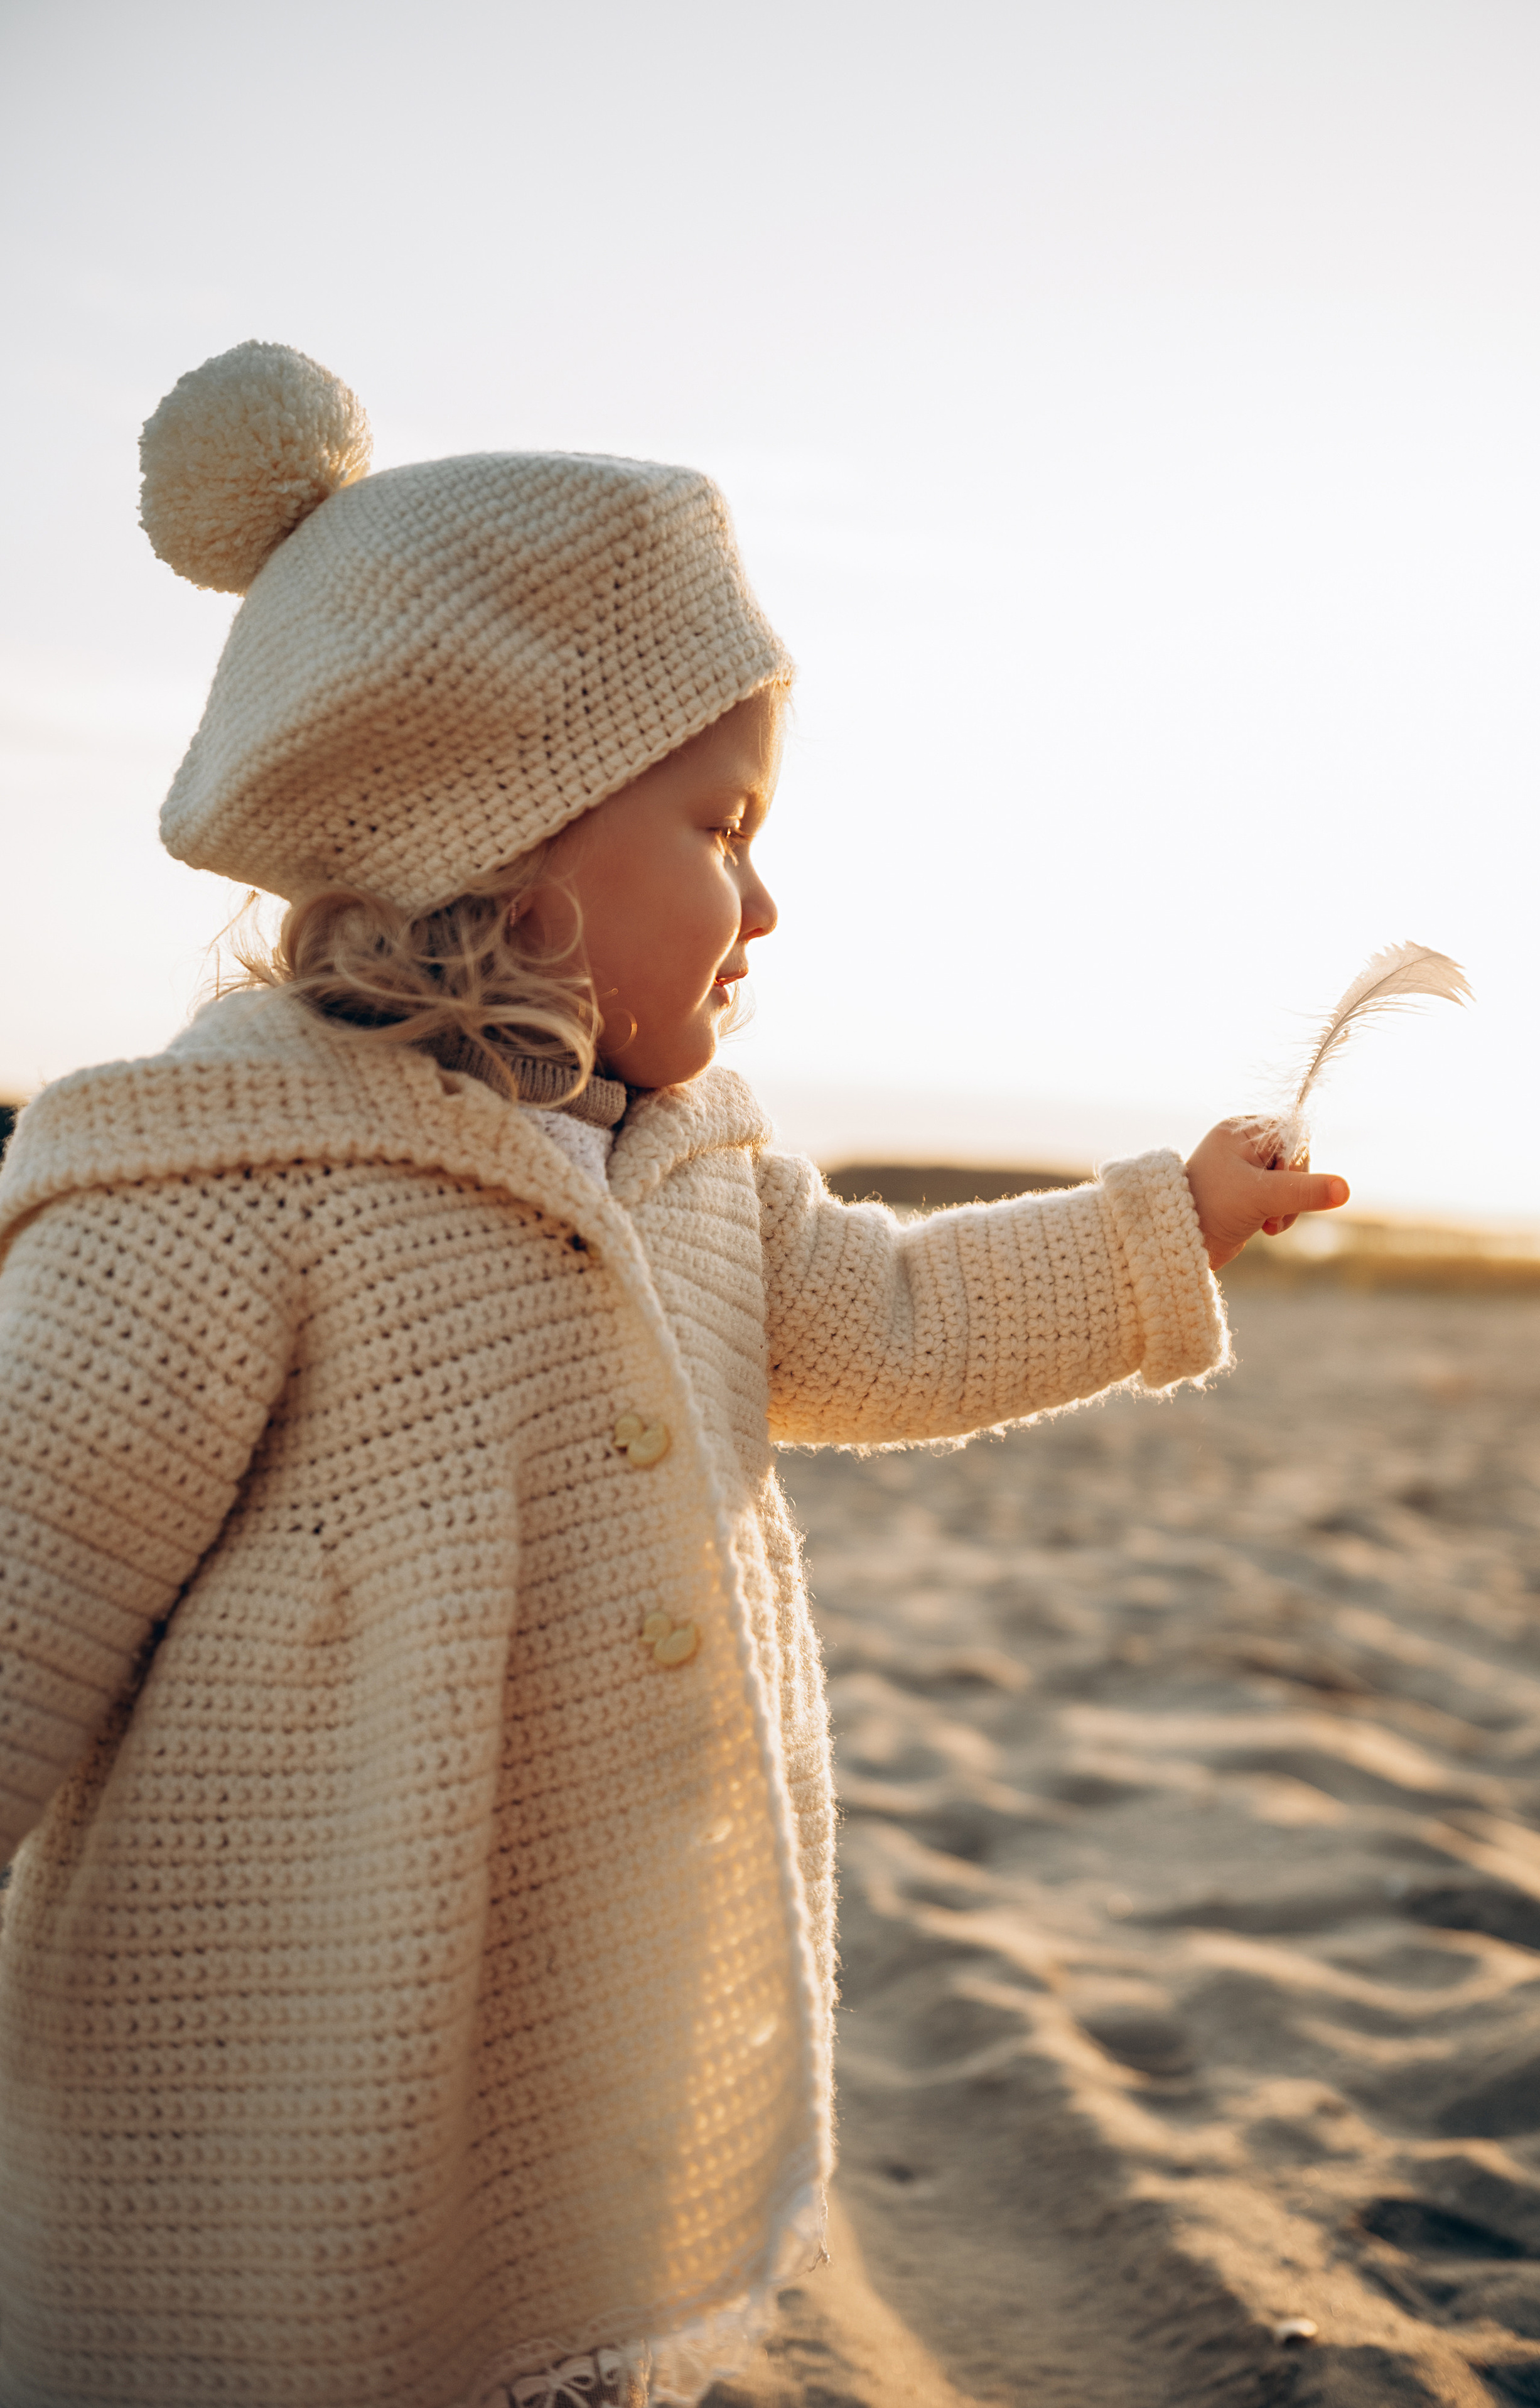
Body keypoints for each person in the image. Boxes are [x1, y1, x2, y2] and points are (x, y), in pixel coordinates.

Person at [0, 342, 1347, 2408]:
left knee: (551, 2324)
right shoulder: (224, 1194)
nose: (769, 897)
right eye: (721, 825)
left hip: (570, 2003)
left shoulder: (702, 1167)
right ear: (508, 845)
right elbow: (27, 1572)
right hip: (274, 2031)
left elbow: (895, 1317)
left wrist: (1161, 1221)